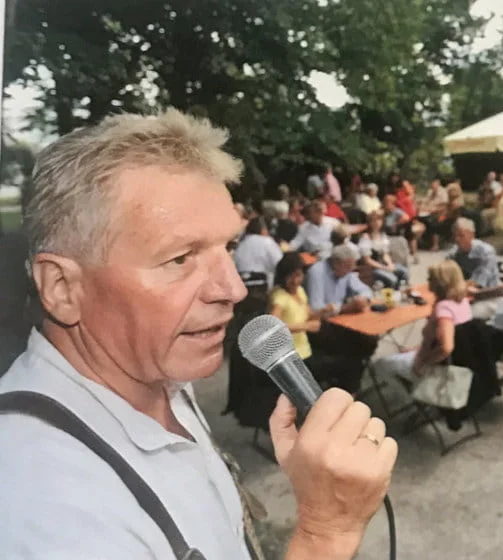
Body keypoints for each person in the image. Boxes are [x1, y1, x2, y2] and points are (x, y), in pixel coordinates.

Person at [0, 110, 395, 560]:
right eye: (180, 258)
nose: (233, 289)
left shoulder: (152, 369)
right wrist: (326, 533)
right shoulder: (46, 507)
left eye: (227, 247)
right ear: (62, 287)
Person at [269, 253, 363, 393]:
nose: (295, 281)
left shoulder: (299, 291)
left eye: (299, 275)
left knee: (350, 352)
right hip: (295, 358)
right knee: (350, 367)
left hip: (306, 348)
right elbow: (272, 328)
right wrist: (305, 327)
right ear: (283, 276)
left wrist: (323, 311)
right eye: (291, 276)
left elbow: (309, 316)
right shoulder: (279, 298)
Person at [371, 261, 473, 381]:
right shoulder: (462, 300)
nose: (427, 280)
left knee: (379, 364)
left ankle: (403, 395)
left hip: (434, 368)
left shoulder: (444, 309)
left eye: (430, 278)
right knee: (399, 355)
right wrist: (417, 349)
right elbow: (438, 340)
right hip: (458, 360)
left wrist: (423, 362)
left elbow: (446, 347)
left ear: (440, 282)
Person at [447, 218, 500, 296]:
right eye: (455, 235)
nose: (457, 239)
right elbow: (445, 275)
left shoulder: (486, 252)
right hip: (462, 293)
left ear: (472, 235)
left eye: (461, 235)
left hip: (488, 295)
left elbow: (477, 283)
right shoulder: (454, 252)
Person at [358, 211, 409, 288]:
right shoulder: (365, 237)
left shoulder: (382, 235)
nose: (376, 223)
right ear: (369, 223)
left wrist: (390, 264)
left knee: (404, 272)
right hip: (371, 269)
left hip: (383, 264)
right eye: (373, 221)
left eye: (379, 220)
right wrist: (384, 268)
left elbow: (385, 254)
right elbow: (367, 260)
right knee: (392, 280)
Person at [232, 216, 284, 288]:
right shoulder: (267, 242)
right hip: (261, 286)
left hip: (241, 286)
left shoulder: (240, 244)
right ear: (263, 230)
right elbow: (280, 264)